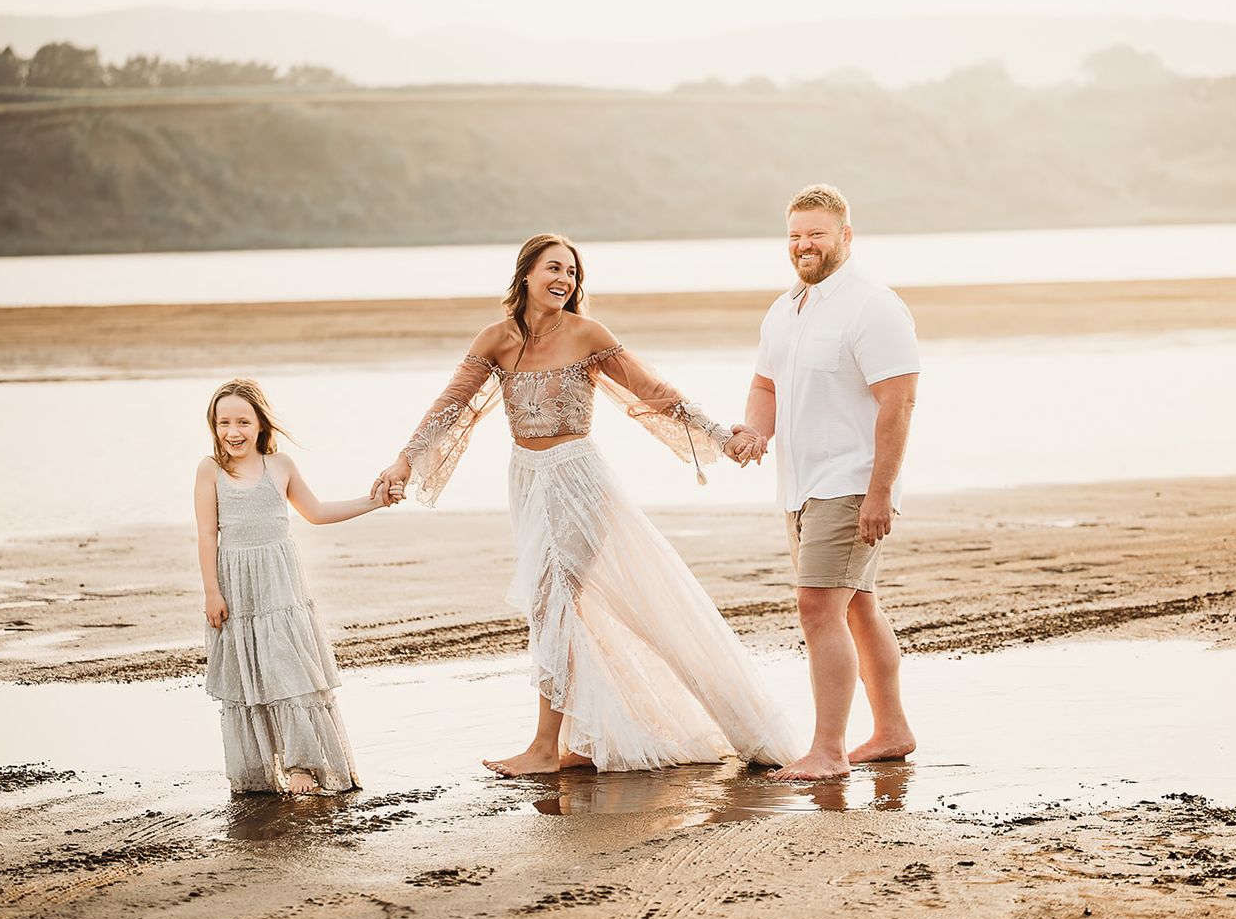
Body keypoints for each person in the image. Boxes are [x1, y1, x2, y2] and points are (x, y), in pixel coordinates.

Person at [371, 233, 803, 776]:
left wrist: (721, 436)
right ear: (526, 273)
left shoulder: (588, 334)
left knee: (552, 602)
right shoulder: (496, 340)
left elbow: (654, 391)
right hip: (526, 479)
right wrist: (402, 463)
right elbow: (448, 408)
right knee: (559, 606)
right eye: (554, 268)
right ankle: (590, 736)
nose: (564, 280)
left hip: (578, 478)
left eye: (572, 273)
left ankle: (545, 748)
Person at [741, 184, 922, 781]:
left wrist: (879, 492)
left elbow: (898, 404)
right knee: (857, 608)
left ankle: (828, 750)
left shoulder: (873, 306)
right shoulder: (785, 308)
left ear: (846, 236)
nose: (803, 245)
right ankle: (891, 731)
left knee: (818, 606)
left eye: (816, 233)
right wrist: (756, 434)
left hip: (849, 482)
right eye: (794, 235)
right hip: (798, 486)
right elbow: (766, 385)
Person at [196, 378, 400, 794]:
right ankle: (260, 770)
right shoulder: (210, 469)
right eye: (223, 423)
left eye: (242, 422)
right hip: (236, 585)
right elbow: (205, 535)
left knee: (287, 669)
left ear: (260, 424)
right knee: (249, 676)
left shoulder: (281, 466)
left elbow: (318, 512)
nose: (233, 432)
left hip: (280, 586)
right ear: (213, 426)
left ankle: (301, 765)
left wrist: (374, 501)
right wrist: (211, 592)